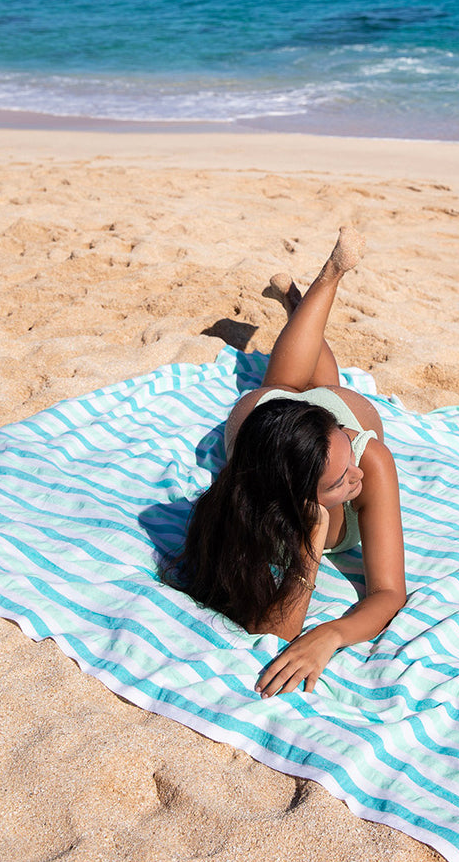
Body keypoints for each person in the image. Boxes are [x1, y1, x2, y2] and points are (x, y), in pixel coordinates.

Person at [172, 227, 406, 698]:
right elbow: (275, 630)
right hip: (274, 433)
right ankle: (297, 304)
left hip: (317, 417)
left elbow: (389, 592)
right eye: (340, 482)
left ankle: (324, 281)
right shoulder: (252, 502)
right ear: (293, 499)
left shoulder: (367, 457)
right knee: (293, 382)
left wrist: (331, 635)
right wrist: (312, 540)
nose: (360, 474)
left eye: (350, 460)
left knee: (303, 386)